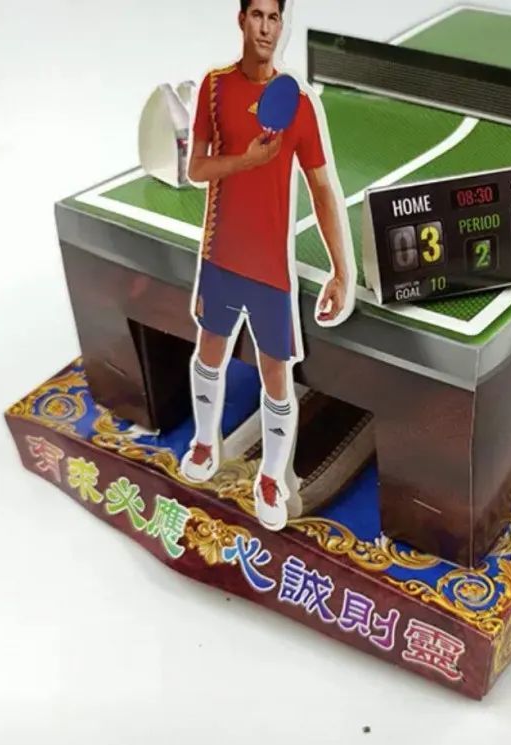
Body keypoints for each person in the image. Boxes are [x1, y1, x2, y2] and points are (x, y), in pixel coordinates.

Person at [179, 0, 354, 530]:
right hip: (221, 257)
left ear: (282, 25)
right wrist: (247, 161)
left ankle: (272, 478)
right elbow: (196, 168)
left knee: (276, 375)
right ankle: (205, 443)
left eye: (273, 18)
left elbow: (322, 188)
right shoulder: (214, 87)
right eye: (256, 15)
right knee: (210, 352)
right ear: (241, 20)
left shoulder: (297, 103)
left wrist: (341, 271)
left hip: (270, 270)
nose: (265, 27)